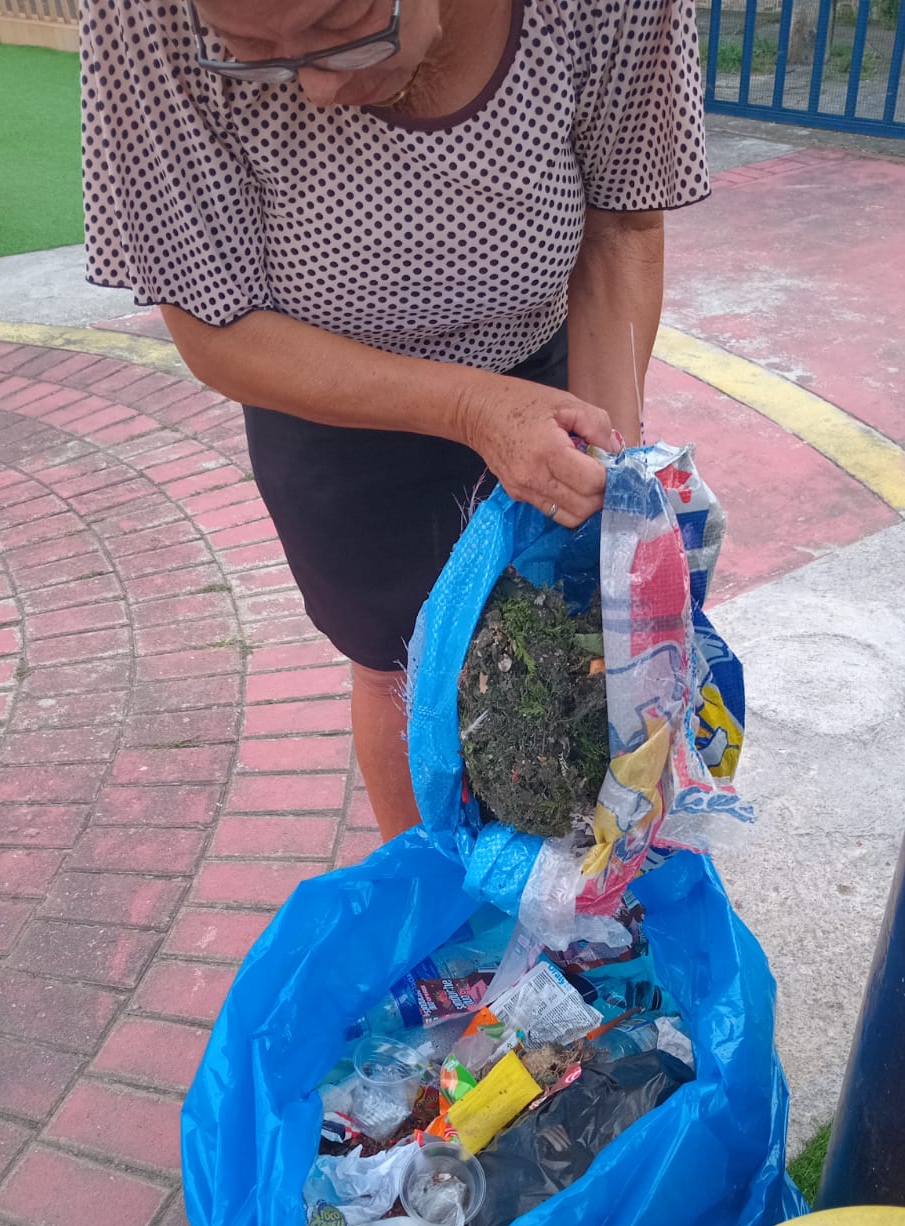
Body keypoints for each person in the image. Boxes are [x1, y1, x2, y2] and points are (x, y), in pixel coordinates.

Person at [81, 0, 708, 839]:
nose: (314, 87)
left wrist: (610, 474)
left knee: (574, 642)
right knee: (395, 669)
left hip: (539, 369)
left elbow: (622, 225)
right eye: (248, 50)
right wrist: (470, 406)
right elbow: (211, 322)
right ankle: (435, 899)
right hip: (325, 397)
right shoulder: (135, 15)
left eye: (344, 23)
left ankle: (572, 882)